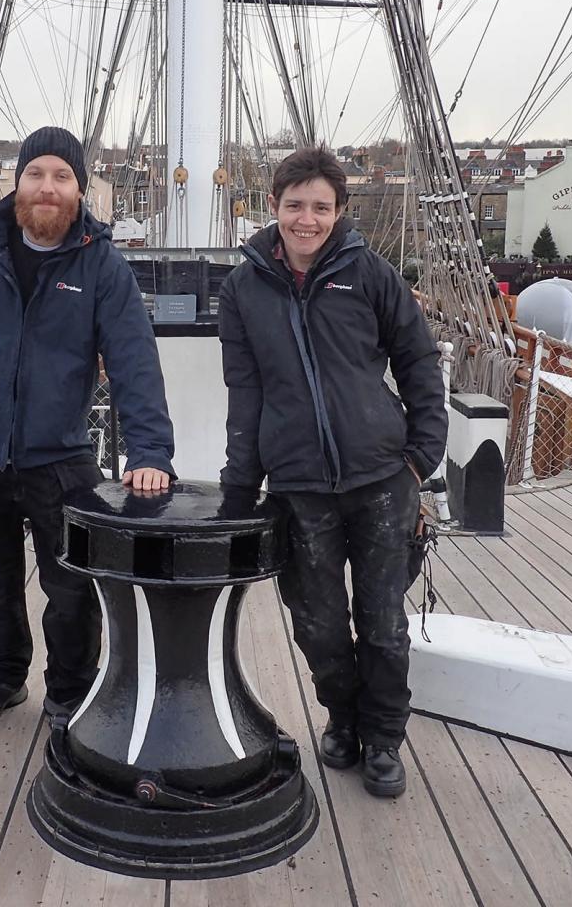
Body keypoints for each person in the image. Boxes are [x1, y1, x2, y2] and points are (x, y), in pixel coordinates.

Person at [0, 125, 176, 733]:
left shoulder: (101, 266)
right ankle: (1, 677)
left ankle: (71, 692)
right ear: (17, 182)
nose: (47, 188)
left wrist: (150, 449)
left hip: (60, 455)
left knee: (73, 587)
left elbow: (134, 360)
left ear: (79, 190)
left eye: (61, 177)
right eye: (36, 174)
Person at [217, 145, 446, 799]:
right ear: (274, 208)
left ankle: (383, 740)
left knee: (381, 621)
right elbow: (247, 393)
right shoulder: (243, 289)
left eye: (320, 207)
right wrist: (240, 487)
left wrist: (420, 455)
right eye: (296, 206)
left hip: (380, 477)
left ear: (339, 211)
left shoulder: (371, 276)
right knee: (317, 623)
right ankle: (341, 720)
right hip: (298, 485)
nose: (307, 219)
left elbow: (418, 363)